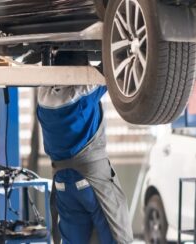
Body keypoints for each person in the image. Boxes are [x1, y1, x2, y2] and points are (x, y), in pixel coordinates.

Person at [37, 52, 132, 244]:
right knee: (115, 235)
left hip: (64, 186)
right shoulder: (82, 93)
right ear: (80, 71)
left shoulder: (43, 97)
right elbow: (112, 65)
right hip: (92, 181)